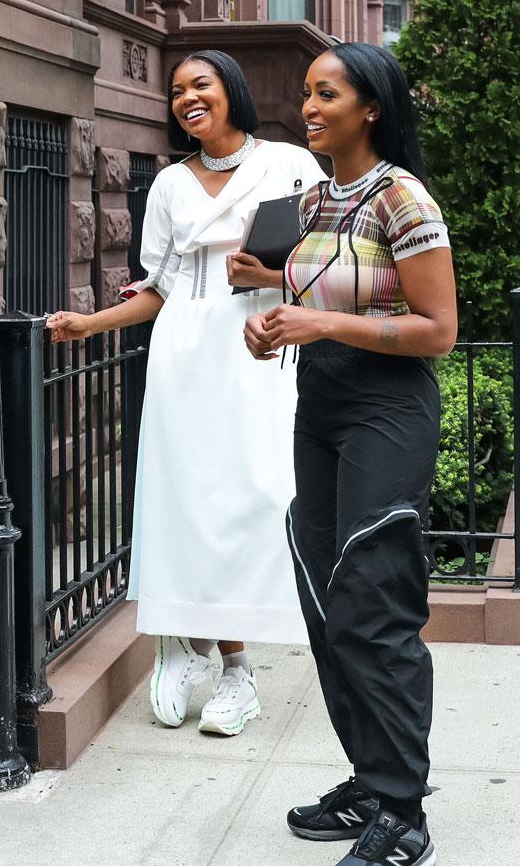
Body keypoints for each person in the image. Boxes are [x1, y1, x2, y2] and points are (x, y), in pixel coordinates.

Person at [47, 50, 323, 736]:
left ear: (231, 90)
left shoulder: (287, 164)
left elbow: (333, 252)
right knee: (183, 498)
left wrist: (278, 271)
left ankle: (237, 669)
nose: (187, 98)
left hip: (260, 343)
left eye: (200, 84)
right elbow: (159, 288)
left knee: (256, 497)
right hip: (183, 352)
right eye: (177, 91)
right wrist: (89, 322)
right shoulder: (169, 183)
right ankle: (188, 646)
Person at [245, 42, 456, 866]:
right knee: (330, 606)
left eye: (327, 92)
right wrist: (272, 327)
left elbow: (437, 327)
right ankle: (373, 779)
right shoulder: (313, 200)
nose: (309, 105)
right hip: (323, 405)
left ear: (372, 105)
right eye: (306, 93)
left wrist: (324, 327)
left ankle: (404, 814)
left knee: (373, 604)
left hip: (388, 410)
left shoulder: (402, 197)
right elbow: (308, 300)